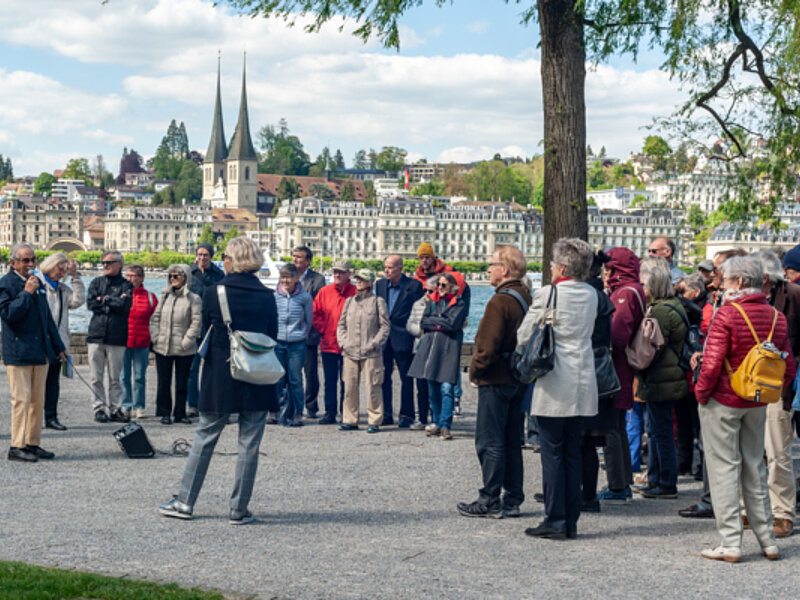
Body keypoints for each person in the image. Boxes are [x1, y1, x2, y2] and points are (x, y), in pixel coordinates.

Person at [159, 236, 278, 525]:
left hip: (222, 372)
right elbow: (272, 332)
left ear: (232, 260)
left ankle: (185, 501)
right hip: (257, 371)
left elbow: (206, 329)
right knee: (250, 442)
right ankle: (239, 508)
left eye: (224, 256)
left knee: (205, 436)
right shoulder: (267, 295)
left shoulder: (215, 292)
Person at [694, 255, 794, 562]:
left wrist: (700, 394)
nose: (721, 284)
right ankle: (767, 540)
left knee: (724, 468)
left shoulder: (727, 313)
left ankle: (731, 542)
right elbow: (788, 364)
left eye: (724, 279)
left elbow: (712, 364)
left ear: (738, 282)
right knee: (755, 466)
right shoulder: (777, 316)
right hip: (756, 400)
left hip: (723, 399)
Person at [518, 238, 598, 539]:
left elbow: (524, 335)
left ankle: (555, 518)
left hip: (555, 379)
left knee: (552, 452)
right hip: (582, 378)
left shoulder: (548, 293)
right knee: (572, 451)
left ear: (562, 268)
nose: (551, 268)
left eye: (553, 264)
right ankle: (571, 519)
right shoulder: (592, 294)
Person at [457, 245, 531, 518]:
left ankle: (489, 498)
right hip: (517, 377)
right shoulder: (525, 297)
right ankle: (513, 497)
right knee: (512, 440)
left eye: (492, 264)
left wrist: (475, 372)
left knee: (490, 440)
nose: (488, 269)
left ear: (505, 269)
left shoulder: (500, 301)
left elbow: (486, 347)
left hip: (496, 377)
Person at [0, 243, 67, 462]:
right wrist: (26, 293)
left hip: (40, 351)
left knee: (38, 400)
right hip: (18, 352)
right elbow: (9, 315)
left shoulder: (37, 283)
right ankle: (16, 446)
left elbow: (46, 318)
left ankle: (32, 442)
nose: (30, 264)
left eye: (33, 259)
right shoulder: (6, 284)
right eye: (25, 260)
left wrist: (59, 346)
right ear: (13, 263)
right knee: (21, 400)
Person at [635, 256, 688, 499]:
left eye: (644, 285)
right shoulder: (672, 305)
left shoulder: (660, 311)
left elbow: (651, 348)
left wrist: (636, 363)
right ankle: (657, 478)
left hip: (661, 378)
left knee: (659, 432)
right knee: (658, 430)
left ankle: (665, 481)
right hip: (668, 376)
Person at [755, 250, 799, 538]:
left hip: (781, 383)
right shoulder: (747, 299)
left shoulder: (793, 295)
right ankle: (754, 509)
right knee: (752, 451)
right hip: (751, 383)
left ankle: (782, 512)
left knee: (778, 450)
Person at [599, 247, 644, 503]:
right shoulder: (633, 289)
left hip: (616, 368)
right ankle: (623, 481)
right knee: (618, 426)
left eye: (609, 268)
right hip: (623, 368)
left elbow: (617, 335)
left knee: (611, 427)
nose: (605, 273)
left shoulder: (625, 293)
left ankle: (617, 485)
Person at [408, 272, 467, 440]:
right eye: (438, 285)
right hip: (430, 348)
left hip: (449, 349)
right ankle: (436, 421)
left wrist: (436, 322)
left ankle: (445, 424)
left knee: (447, 388)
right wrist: (441, 322)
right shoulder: (432, 302)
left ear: (452, 286)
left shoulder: (459, 303)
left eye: (443, 285)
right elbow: (423, 322)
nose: (439, 288)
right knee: (432, 387)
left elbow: (452, 324)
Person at [579, 250, 616, 513]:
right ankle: (587, 494)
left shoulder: (587, 297)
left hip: (586, 371)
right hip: (599, 372)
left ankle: (581, 494)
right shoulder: (600, 296)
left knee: (580, 439)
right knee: (589, 441)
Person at [36, 252, 85, 431]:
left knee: (53, 383)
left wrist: (75, 277)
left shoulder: (63, 290)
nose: (61, 273)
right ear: (50, 265)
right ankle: (34, 419)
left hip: (59, 342)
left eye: (64, 270)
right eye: (59, 269)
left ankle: (51, 417)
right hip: (40, 342)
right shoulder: (37, 284)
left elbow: (78, 301)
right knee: (37, 383)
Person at [337, 269, 390, 433]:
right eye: (357, 279)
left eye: (362, 279)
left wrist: (375, 343)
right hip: (350, 352)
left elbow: (385, 326)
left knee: (373, 387)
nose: (358, 281)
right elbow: (341, 325)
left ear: (370, 282)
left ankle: (374, 420)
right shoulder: (349, 301)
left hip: (371, 353)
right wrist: (343, 342)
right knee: (349, 387)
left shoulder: (378, 302)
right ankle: (349, 419)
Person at [150, 264, 202, 425]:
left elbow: (196, 323)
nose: (172, 279)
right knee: (163, 382)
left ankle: (180, 413)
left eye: (176, 276)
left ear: (185, 277)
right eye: (170, 276)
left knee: (182, 382)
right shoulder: (164, 296)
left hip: (184, 348)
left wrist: (186, 341)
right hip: (163, 346)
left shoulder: (194, 299)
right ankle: (164, 412)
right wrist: (156, 337)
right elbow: (155, 318)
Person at [375, 254, 423, 428]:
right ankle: (386, 413)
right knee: (384, 378)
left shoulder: (414, 286)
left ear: (400, 269)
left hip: (403, 336)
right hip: (384, 338)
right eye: (385, 267)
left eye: (390, 268)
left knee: (406, 378)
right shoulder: (380, 285)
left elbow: (418, 311)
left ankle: (406, 414)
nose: (386, 271)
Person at [86, 251, 133, 423]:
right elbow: (91, 304)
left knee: (115, 378)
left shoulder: (126, 285)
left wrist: (104, 299)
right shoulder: (96, 282)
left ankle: (116, 408)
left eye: (109, 262)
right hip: (96, 335)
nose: (105, 265)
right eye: (103, 263)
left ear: (119, 264)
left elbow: (125, 305)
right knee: (96, 377)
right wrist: (113, 300)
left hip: (117, 336)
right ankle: (98, 408)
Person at [312, 259, 356, 424]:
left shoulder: (355, 292)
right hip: (328, 344)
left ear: (348, 274)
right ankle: (330, 412)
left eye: (341, 272)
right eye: (335, 271)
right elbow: (315, 314)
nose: (337, 275)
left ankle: (346, 412)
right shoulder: (324, 291)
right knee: (329, 381)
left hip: (349, 345)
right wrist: (324, 329)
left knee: (348, 381)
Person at [186, 243, 225, 417]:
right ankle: (193, 404)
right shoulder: (188, 273)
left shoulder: (219, 275)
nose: (202, 258)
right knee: (192, 369)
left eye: (206, 255)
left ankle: (213, 403)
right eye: (200, 254)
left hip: (212, 326)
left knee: (214, 369)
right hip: (193, 325)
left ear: (211, 256)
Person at [274, 263, 313, 427]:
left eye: (288, 277)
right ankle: (278, 411)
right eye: (282, 277)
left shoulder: (305, 297)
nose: (285, 280)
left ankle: (297, 412)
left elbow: (309, 320)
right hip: (278, 342)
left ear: (296, 278)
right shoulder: (275, 296)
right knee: (278, 379)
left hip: (297, 344)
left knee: (295, 379)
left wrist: (302, 334)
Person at [292, 246, 327, 419]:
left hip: (309, 333)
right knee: (292, 373)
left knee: (310, 373)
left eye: (299, 257)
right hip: (291, 332)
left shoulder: (318, 279)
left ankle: (311, 407)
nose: (295, 260)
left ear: (308, 261)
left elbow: (318, 306)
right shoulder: (288, 275)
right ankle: (293, 406)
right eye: (294, 256)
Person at [121, 264, 157, 420]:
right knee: (123, 377)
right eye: (127, 275)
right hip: (123, 341)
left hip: (143, 342)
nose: (130, 279)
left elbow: (156, 319)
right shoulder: (121, 295)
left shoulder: (150, 297)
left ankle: (139, 406)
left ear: (141, 278)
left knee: (139, 377)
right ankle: (125, 406)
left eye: (133, 275)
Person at [405, 276, 437, 429]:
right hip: (419, 348)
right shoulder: (417, 304)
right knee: (421, 387)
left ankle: (437, 419)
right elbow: (409, 324)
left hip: (435, 349)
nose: (426, 293)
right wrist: (420, 331)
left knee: (435, 386)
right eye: (425, 290)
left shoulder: (441, 305)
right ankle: (422, 418)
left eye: (430, 291)